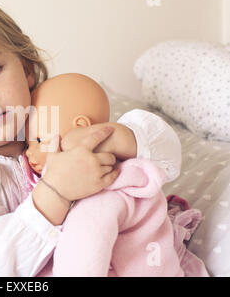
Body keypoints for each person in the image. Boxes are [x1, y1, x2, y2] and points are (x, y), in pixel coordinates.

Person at [0, 0, 182, 276]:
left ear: (27, 70)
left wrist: (108, 141)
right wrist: (55, 192)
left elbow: (168, 159)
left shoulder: (54, 118)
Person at [23, 73, 208, 276]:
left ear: (82, 129)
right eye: (27, 144)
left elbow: (84, 253)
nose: (29, 153)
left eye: (39, 140)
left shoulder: (101, 193)